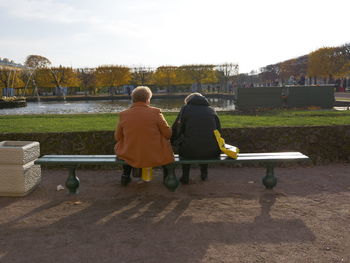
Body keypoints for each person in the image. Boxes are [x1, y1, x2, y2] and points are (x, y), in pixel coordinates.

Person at [114, 86, 174, 186]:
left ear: (133, 99)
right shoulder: (156, 112)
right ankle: (167, 177)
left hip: (131, 152)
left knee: (125, 150)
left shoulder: (123, 114)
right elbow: (168, 134)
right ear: (148, 99)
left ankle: (125, 176)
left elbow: (117, 137)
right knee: (166, 150)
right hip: (155, 153)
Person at [171, 93, 221, 184]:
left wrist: (173, 141)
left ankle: (185, 176)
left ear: (188, 101)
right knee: (204, 141)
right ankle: (204, 174)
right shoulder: (211, 110)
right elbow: (218, 130)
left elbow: (177, 128)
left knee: (188, 144)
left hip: (189, 150)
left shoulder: (185, 109)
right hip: (211, 151)